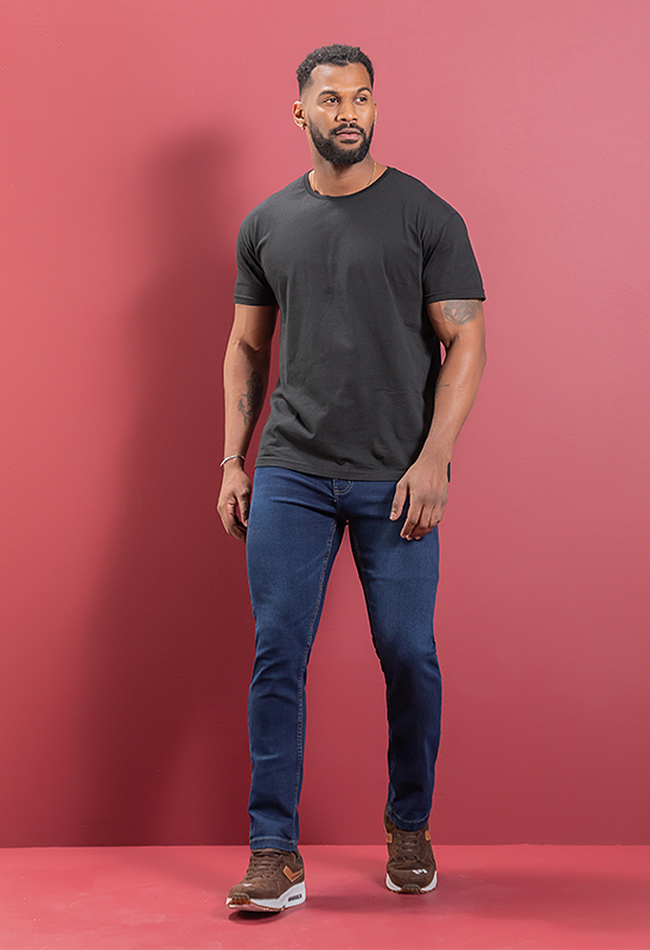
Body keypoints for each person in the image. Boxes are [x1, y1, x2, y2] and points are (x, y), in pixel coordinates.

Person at [217, 43, 486, 913]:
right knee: (276, 653)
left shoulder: (425, 215)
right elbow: (247, 345)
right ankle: (274, 852)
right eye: (331, 99)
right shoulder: (267, 223)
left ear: (375, 108)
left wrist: (436, 456)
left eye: (362, 97)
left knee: (409, 653)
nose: (348, 112)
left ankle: (409, 824)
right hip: (291, 471)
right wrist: (233, 459)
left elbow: (467, 340)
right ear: (300, 112)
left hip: (395, 477)